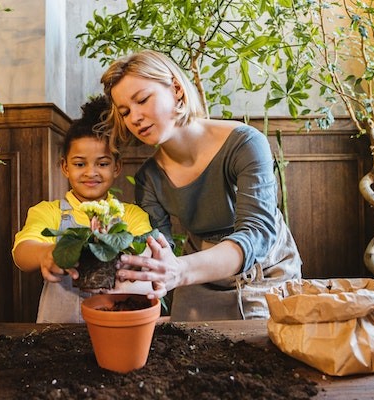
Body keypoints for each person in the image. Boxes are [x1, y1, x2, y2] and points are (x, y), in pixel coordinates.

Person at [98, 50, 302, 320]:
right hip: (196, 276)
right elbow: (161, 249)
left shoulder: (246, 143)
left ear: (177, 89)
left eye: (142, 100)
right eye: (125, 112)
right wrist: (115, 251)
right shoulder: (149, 178)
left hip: (265, 271)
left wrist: (180, 270)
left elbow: (256, 233)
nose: (134, 118)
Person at [12, 95, 153, 323]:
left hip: (117, 322)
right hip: (59, 329)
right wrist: (47, 254)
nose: (91, 172)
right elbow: (22, 252)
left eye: (103, 163)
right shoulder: (50, 211)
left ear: (117, 167)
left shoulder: (131, 215)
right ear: (65, 167)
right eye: (79, 164)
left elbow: (144, 251)